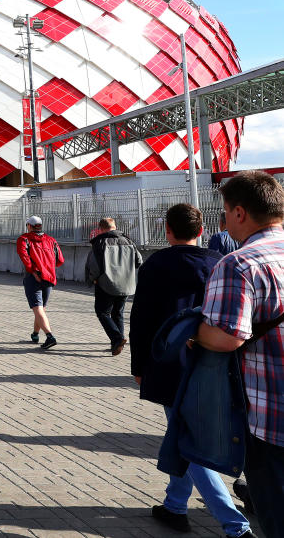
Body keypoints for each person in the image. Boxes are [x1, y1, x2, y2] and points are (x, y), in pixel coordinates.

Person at [130, 203, 253, 538]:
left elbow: (140, 319)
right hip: (213, 362)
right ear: (202, 230)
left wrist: (138, 365)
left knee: (187, 439)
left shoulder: (155, 264)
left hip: (169, 362)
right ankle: (175, 505)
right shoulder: (219, 263)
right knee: (181, 434)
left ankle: (234, 525)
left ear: (167, 230)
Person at [196, 171, 284, 536]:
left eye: (226, 210)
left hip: (271, 418)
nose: (225, 218)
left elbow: (226, 337)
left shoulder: (239, 263)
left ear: (240, 213)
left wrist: (193, 332)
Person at [86, 217, 143, 356]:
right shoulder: (128, 241)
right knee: (118, 313)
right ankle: (117, 344)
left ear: (101, 228)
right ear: (115, 226)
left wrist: (93, 279)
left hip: (106, 284)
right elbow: (139, 261)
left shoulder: (99, 242)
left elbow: (94, 266)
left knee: (102, 312)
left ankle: (117, 338)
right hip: (126, 284)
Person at [16, 215, 63, 350]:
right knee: (40, 308)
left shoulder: (24, 239)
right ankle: (35, 334)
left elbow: (24, 257)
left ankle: (50, 336)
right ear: (40, 226)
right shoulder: (51, 240)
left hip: (33, 277)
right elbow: (60, 260)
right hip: (49, 277)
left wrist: (34, 271)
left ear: (29, 226)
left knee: (37, 308)